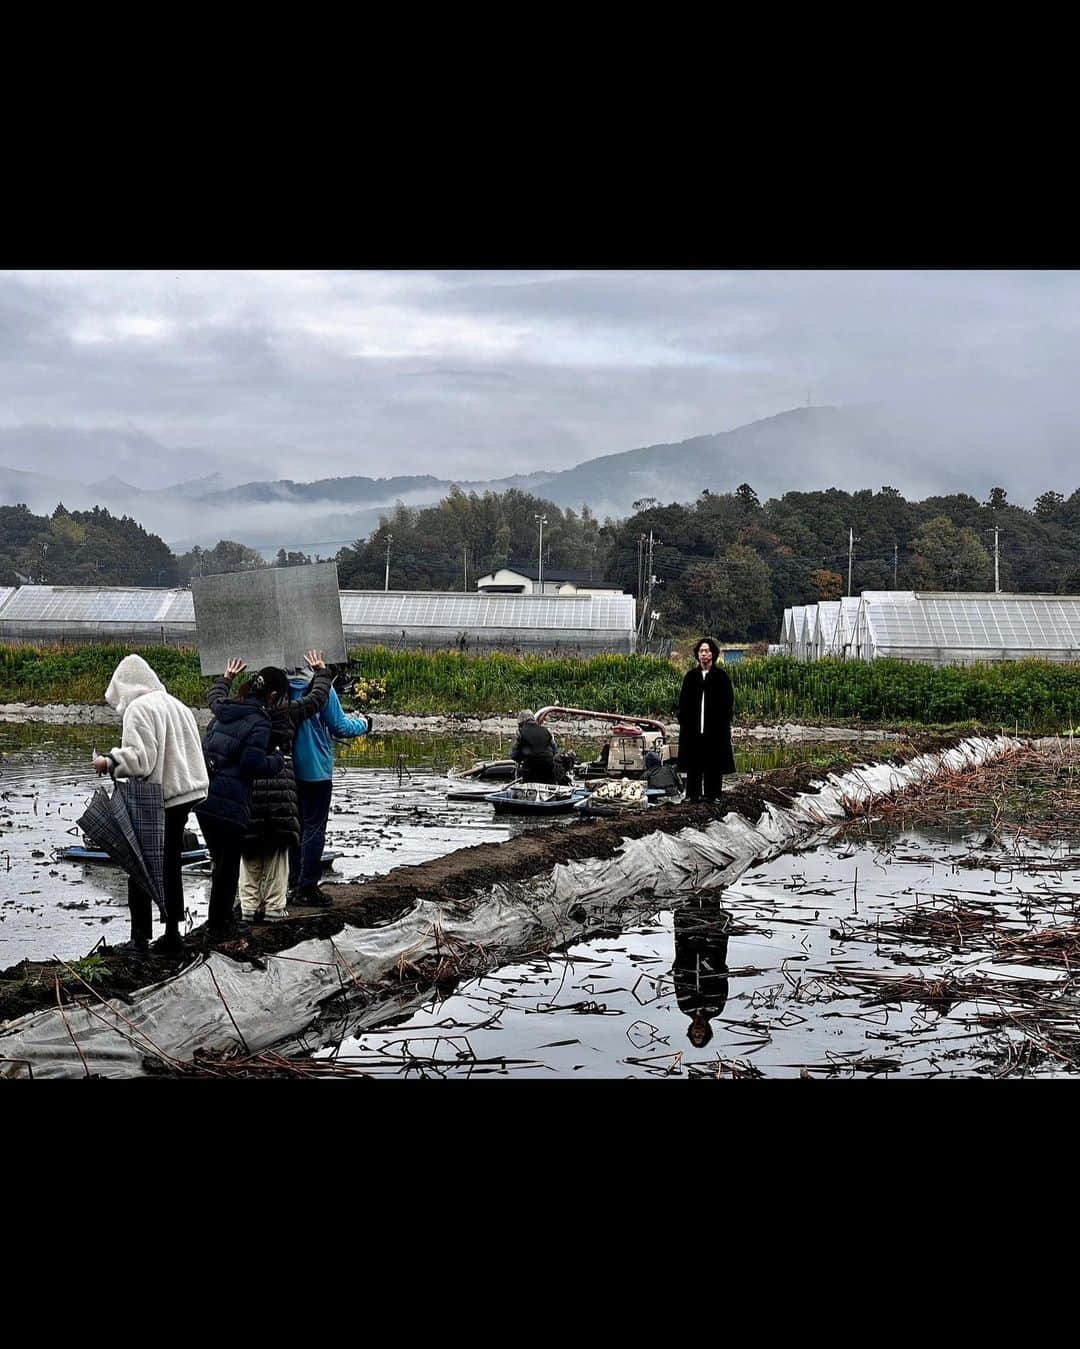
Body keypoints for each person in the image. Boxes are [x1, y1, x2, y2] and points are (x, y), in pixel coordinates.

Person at [93, 654, 210, 955]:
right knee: (170, 863)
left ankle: (140, 938)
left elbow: (141, 759)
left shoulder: (139, 709)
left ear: (125, 686)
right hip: (189, 792)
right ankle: (173, 933)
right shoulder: (176, 705)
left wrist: (109, 761)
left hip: (162, 797)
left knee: (139, 865)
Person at [234, 651, 333, 924]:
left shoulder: (238, 710)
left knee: (250, 848)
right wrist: (322, 673)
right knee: (278, 849)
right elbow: (316, 700)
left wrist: (226, 678)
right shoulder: (284, 712)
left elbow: (216, 702)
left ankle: (248, 907)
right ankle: (276, 907)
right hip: (279, 785)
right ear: (277, 692)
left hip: (249, 788)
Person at [195, 659, 286, 939]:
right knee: (228, 866)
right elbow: (251, 764)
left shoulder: (227, 708)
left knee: (219, 863)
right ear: (271, 696)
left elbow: (215, 697)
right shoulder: (260, 721)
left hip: (204, 798)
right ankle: (221, 925)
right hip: (231, 802)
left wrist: (225, 677)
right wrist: (277, 760)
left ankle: (217, 922)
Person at [287, 663, 370, 907]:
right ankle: (308, 885)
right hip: (316, 770)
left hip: (288, 770)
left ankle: (293, 881)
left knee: (295, 829)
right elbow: (340, 726)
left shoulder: (280, 688)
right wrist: (365, 722)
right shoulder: (321, 688)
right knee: (314, 828)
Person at [676, 637, 735, 803]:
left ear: (713, 654)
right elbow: (683, 702)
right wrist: (684, 721)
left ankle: (713, 794)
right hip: (693, 729)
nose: (704, 654)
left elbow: (728, 702)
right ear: (697, 654)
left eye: (707, 651)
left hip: (715, 730)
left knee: (713, 761)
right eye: (701, 651)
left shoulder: (721, 677)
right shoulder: (691, 677)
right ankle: (692, 795)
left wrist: (723, 723)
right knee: (694, 761)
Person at [671, 893, 732, 1049]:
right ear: (707, 1031)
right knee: (710, 913)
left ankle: (690, 891)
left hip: (687, 952)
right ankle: (711, 889)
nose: (698, 1032)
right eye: (700, 1035)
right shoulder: (716, 1009)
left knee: (688, 914)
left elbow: (678, 983)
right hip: (712, 953)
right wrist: (711, 968)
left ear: (690, 1031)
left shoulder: (685, 1008)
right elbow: (723, 983)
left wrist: (679, 968)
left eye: (695, 1035)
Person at [509, 710, 559, 783]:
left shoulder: (520, 732)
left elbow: (514, 755)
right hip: (549, 769)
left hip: (530, 771)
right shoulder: (546, 731)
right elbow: (555, 751)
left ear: (521, 722)